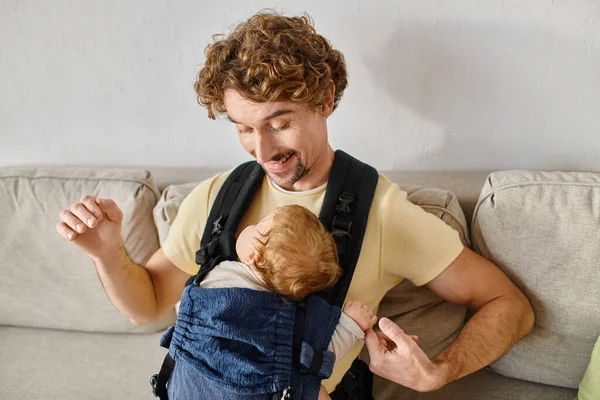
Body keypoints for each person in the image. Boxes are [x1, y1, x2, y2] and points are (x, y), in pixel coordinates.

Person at [56, 11, 535, 395]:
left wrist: (440, 372)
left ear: (325, 99)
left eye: (279, 122)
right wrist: (106, 252)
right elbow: (150, 305)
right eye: (245, 128)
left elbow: (509, 304)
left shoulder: (381, 212)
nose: (263, 152)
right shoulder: (219, 195)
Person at [183, 204, 380, 400]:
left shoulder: (215, 273)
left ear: (255, 258)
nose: (250, 226)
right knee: (308, 384)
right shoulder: (288, 321)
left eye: (258, 225)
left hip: (189, 386)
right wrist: (350, 324)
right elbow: (314, 360)